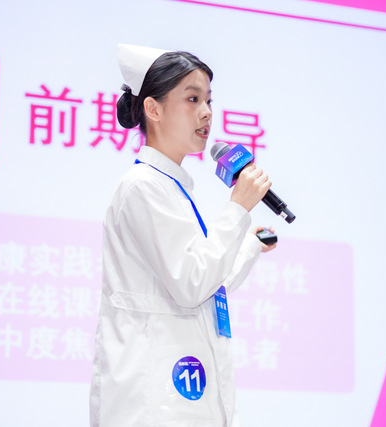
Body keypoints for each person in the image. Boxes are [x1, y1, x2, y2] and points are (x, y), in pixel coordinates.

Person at [90, 44, 278, 427]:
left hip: (178, 399)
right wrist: (237, 208)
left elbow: (209, 281)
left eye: (209, 100)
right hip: (151, 403)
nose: (206, 112)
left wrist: (249, 245)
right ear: (153, 109)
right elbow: (191, 283)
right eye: (192, 99)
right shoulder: (142, 186)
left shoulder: (171, 188)